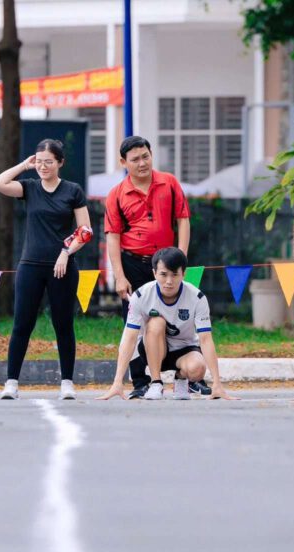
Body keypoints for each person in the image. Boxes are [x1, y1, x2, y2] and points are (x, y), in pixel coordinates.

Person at [104, 135, 209, 398]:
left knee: (180, 317)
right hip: (133, 263)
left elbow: (183, 219)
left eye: (146, 156)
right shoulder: (116, 194)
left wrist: (181, 258)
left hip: (166, 265)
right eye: (135, 159)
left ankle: (187, 376)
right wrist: (119, 276)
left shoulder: (169, 183)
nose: (142, 163)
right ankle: (141, 382)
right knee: (136, 323)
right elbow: (112, 237)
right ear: (123, 162)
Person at [0, 139, 92, 400]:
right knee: (21, 325)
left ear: (60, 163)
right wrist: (23, 166)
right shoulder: (29, 187)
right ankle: (11, 382)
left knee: (63, 325)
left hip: (62, 267)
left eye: (49, 162)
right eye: (39, 162)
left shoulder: (72, 190)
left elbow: (85, 231)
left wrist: (65, 252)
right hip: (30, 266)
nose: (43, 166)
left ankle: (67, 383)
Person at [98, 247, 232, 401]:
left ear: (184, 274)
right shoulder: (140, 296)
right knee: (156, 322)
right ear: (154, 273)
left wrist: (217, 383)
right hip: (153, 349)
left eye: (174, 275)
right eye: (163, 274)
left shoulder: (197, 298)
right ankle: (156, 383)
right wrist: (117, 382)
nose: (169, 281)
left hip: (184, 349)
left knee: (198, 368)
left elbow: (206, 339)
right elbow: (129, 337)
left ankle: (181, 379)